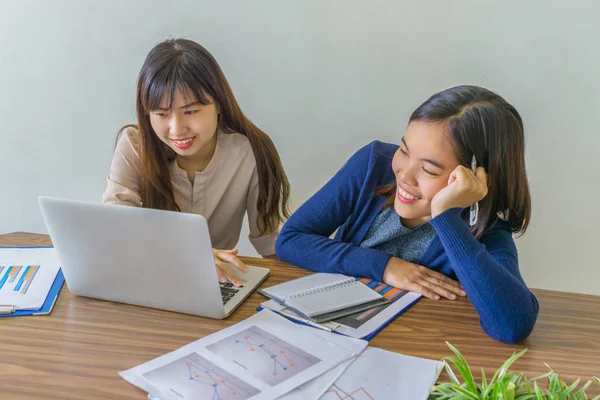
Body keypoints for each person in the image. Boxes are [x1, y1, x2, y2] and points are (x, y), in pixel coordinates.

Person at [275, 85, 538, 343]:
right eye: (403, 151)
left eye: (430, 170)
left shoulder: (485, 230)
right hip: (328, 334)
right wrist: (385, 267)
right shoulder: (374, 164)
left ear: (475, 178)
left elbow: (511, 326)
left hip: (406, 347)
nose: (404, 174)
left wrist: (446, 217)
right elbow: (291, 240)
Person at [102, 38, 290, 287]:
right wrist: (187, 255)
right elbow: (116, 223)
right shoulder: (135, 144)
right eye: (161, 114)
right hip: (148, 278)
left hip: (215, 284)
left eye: (191, 111)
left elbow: (269, 242)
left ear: (219, 105)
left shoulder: (251, 151)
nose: (177, 129)